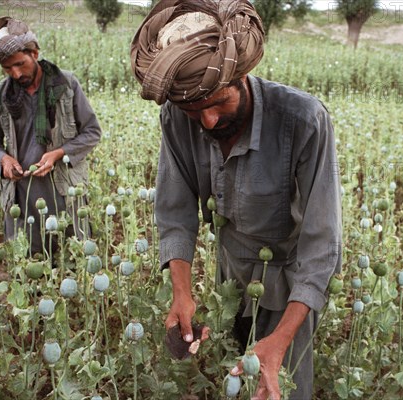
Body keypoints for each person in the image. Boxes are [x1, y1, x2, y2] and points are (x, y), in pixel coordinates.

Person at [131, 1, 342, 399]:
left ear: (242, 75)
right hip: (227, 276)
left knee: (280, 387)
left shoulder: (303, 120)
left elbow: (322, 245)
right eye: (194, 111)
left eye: (217, 103)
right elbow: (176, 212)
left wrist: (280, 340)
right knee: (226, 375)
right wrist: (182, 293)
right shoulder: (177, 118)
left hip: (288, 284)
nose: (207, 121)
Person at [0, 16, 101, 255]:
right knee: (29, 262)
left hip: (63, 190)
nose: (15, 73)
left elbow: (92, 132)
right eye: (7, 68)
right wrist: (3, 159)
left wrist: (58, 153)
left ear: (34, 53)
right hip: (21, 195)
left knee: (70, 258)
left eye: (20, 64)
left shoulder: (66, 85)